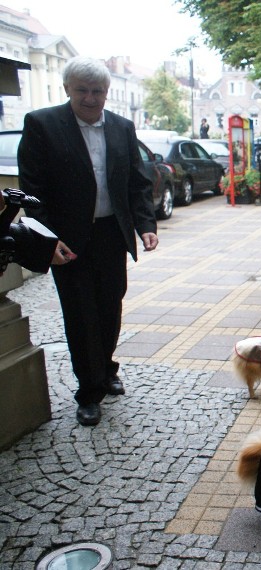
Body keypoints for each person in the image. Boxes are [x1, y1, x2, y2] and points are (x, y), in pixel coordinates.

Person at [18, 56, 159, 427]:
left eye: (98, 91)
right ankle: (89, 392)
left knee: (110, 306)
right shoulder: (42, 125)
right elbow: (32, 190)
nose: (91, 98)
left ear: (107, 93)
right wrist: (48, 240)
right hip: (68, 241)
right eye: (83, 90)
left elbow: (137, 182)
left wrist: (145, 224)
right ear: (68, 89)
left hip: (112, 233)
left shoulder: (122, 127)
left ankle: (107, 367)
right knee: (81, 314)